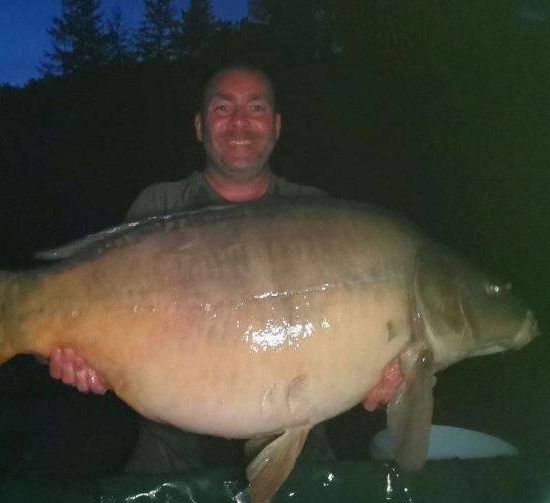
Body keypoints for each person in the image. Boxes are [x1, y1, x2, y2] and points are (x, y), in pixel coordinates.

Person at [46, 65, 400, 472]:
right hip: (170, 457)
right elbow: (110, 328)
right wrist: (89, 361)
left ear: (276, 125)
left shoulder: (320, 217)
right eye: (222, 108)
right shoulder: (160, 207)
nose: (239, 123)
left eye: (256, 107)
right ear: (199, 126)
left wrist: (382, 373)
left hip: (302, 453)